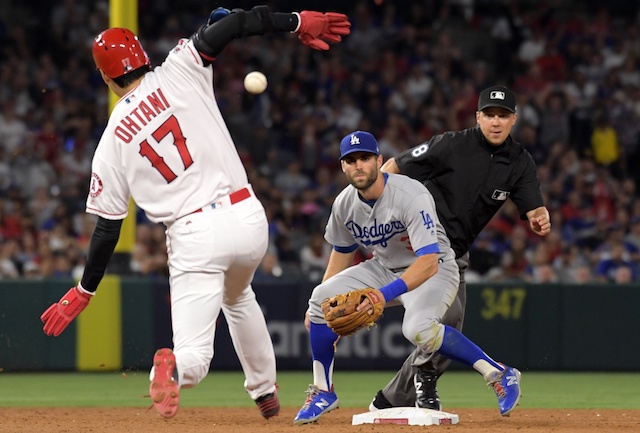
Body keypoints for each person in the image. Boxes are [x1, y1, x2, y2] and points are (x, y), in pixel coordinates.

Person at [39, 6, 351, 420]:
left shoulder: (112, 140)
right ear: (143, 57)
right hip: (247, 218)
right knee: (239, 296)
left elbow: (107, 229)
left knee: (195, 354)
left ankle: (173, 368)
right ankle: (264, 392)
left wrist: (85, 289)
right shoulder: (179, 67)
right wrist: (293, 20)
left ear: (106, 77)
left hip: (194, 235)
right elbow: (233, 24)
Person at [293, 130, 522, 425]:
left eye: (364, 158)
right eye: (351, 160)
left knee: (417, 329)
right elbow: (341, 251)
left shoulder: (410, 194)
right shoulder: (344, 204)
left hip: (433, 267)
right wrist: (325, 306)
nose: (358, 165)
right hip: (385, 266)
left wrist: (383, 294)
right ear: (343, 166)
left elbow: (427, 262)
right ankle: (323, 391)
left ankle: (498, 373)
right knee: (318, 298)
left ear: (379, 161)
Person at [369, 85, 551, 412]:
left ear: (514, 119)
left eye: (503, 115)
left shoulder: (518, 162)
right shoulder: (451, 144)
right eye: (490, 115)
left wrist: (540, 217)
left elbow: (534, 208)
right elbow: (395, 166)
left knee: (450, 326)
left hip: (454, 254)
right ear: (478, 117)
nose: (496, 122)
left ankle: (392, 399)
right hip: (416, 242)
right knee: (428, 320)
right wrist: (373, 202)